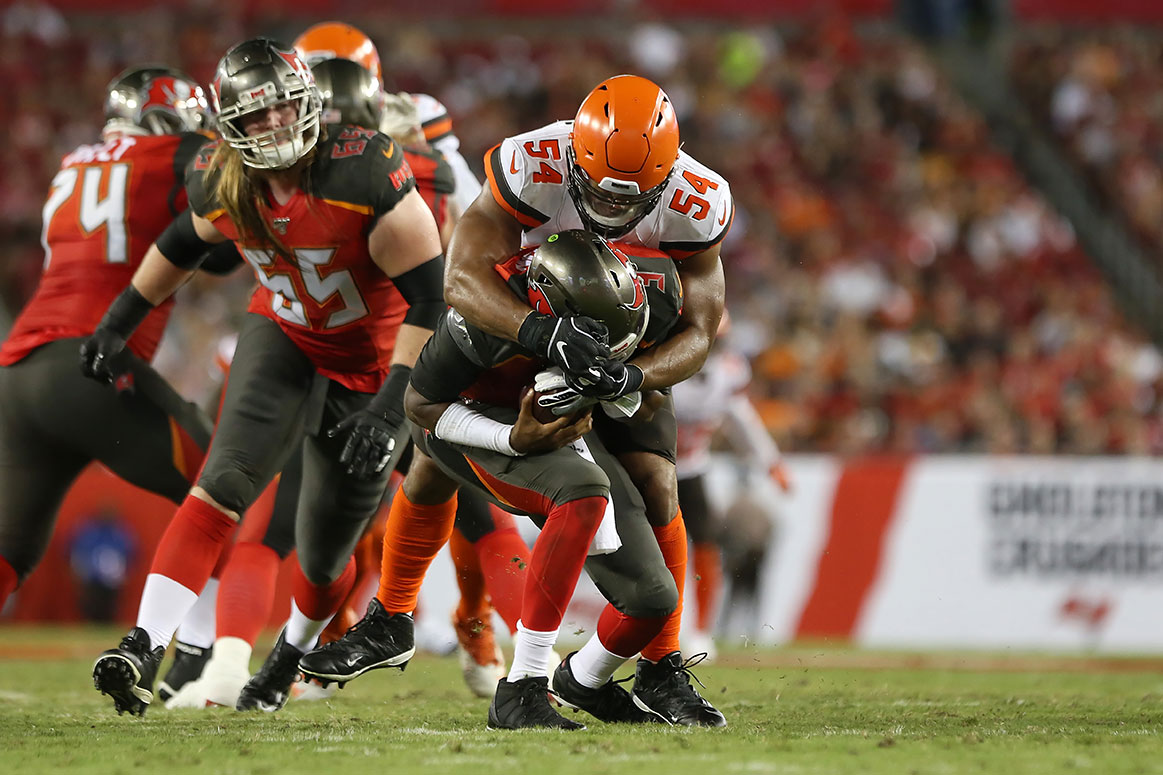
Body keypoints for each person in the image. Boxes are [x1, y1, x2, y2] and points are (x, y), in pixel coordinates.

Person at [305, 74, 731, 726]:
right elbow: (461, 277)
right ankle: (392, 615)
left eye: (633, 202)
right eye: (597, 195)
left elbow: (701, 330)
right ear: (574, 160)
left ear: (667, 175)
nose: (614, 213)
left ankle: (660, 664)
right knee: (438, 444)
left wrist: (633, 376)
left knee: (656, 481)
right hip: (525, 314)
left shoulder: (696, 199)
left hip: (626, 336)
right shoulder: (532, 164)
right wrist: (539, 330)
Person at [85, 37, 445, 717]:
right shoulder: (224, 177)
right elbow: (181, 245)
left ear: (308, 105)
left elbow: (431, 299)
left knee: (322, 548)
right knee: (222, 483)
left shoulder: (363, 168)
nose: (275, 125)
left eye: (284, 109)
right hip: (283, 334)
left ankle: (288, 654)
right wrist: (117, 322)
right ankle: (142, 642)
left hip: (373, 361)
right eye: (256, 117)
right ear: (231, 127)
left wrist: (392, 404)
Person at [303, 230, 687, 730]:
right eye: (601, 338)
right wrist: (513, 439)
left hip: (560, 421)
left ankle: (584, 680)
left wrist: (623, 384)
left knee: (653, 599)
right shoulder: (488, 316)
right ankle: (522, 686)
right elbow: (420, 408)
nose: (616, 346)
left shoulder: (648, 294)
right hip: (475, 420)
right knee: (582, 491)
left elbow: (652, 393)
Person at [0, 66, 216, 612]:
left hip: (18, 375)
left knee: (8, 549)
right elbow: (224, 246)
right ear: (170, 119)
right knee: (227, 488)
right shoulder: (177, 152)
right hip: (92, 363)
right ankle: (218, 651)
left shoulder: (70, 164)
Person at [671, 311, 791, 659]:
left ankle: (701, 632)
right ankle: (643, 628)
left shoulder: (729, 372)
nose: (713, 348)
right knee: (649, 549)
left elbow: (741, 418)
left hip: (692, 468)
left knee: (706, 547)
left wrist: (771, 463)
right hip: (649, 467)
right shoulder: (664, 363)